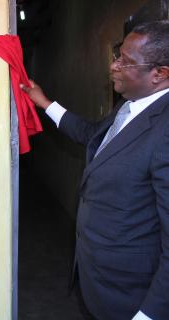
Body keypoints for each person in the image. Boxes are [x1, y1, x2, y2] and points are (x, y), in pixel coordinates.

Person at [21, 20, 169, 320]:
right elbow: (92, 135)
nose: (114, 66)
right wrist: (45, 102)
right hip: (99, 278)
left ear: (159, 74)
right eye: (118, 55)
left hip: (132, 295)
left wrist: (150, 313)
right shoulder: (131, 106)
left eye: (125, 62)